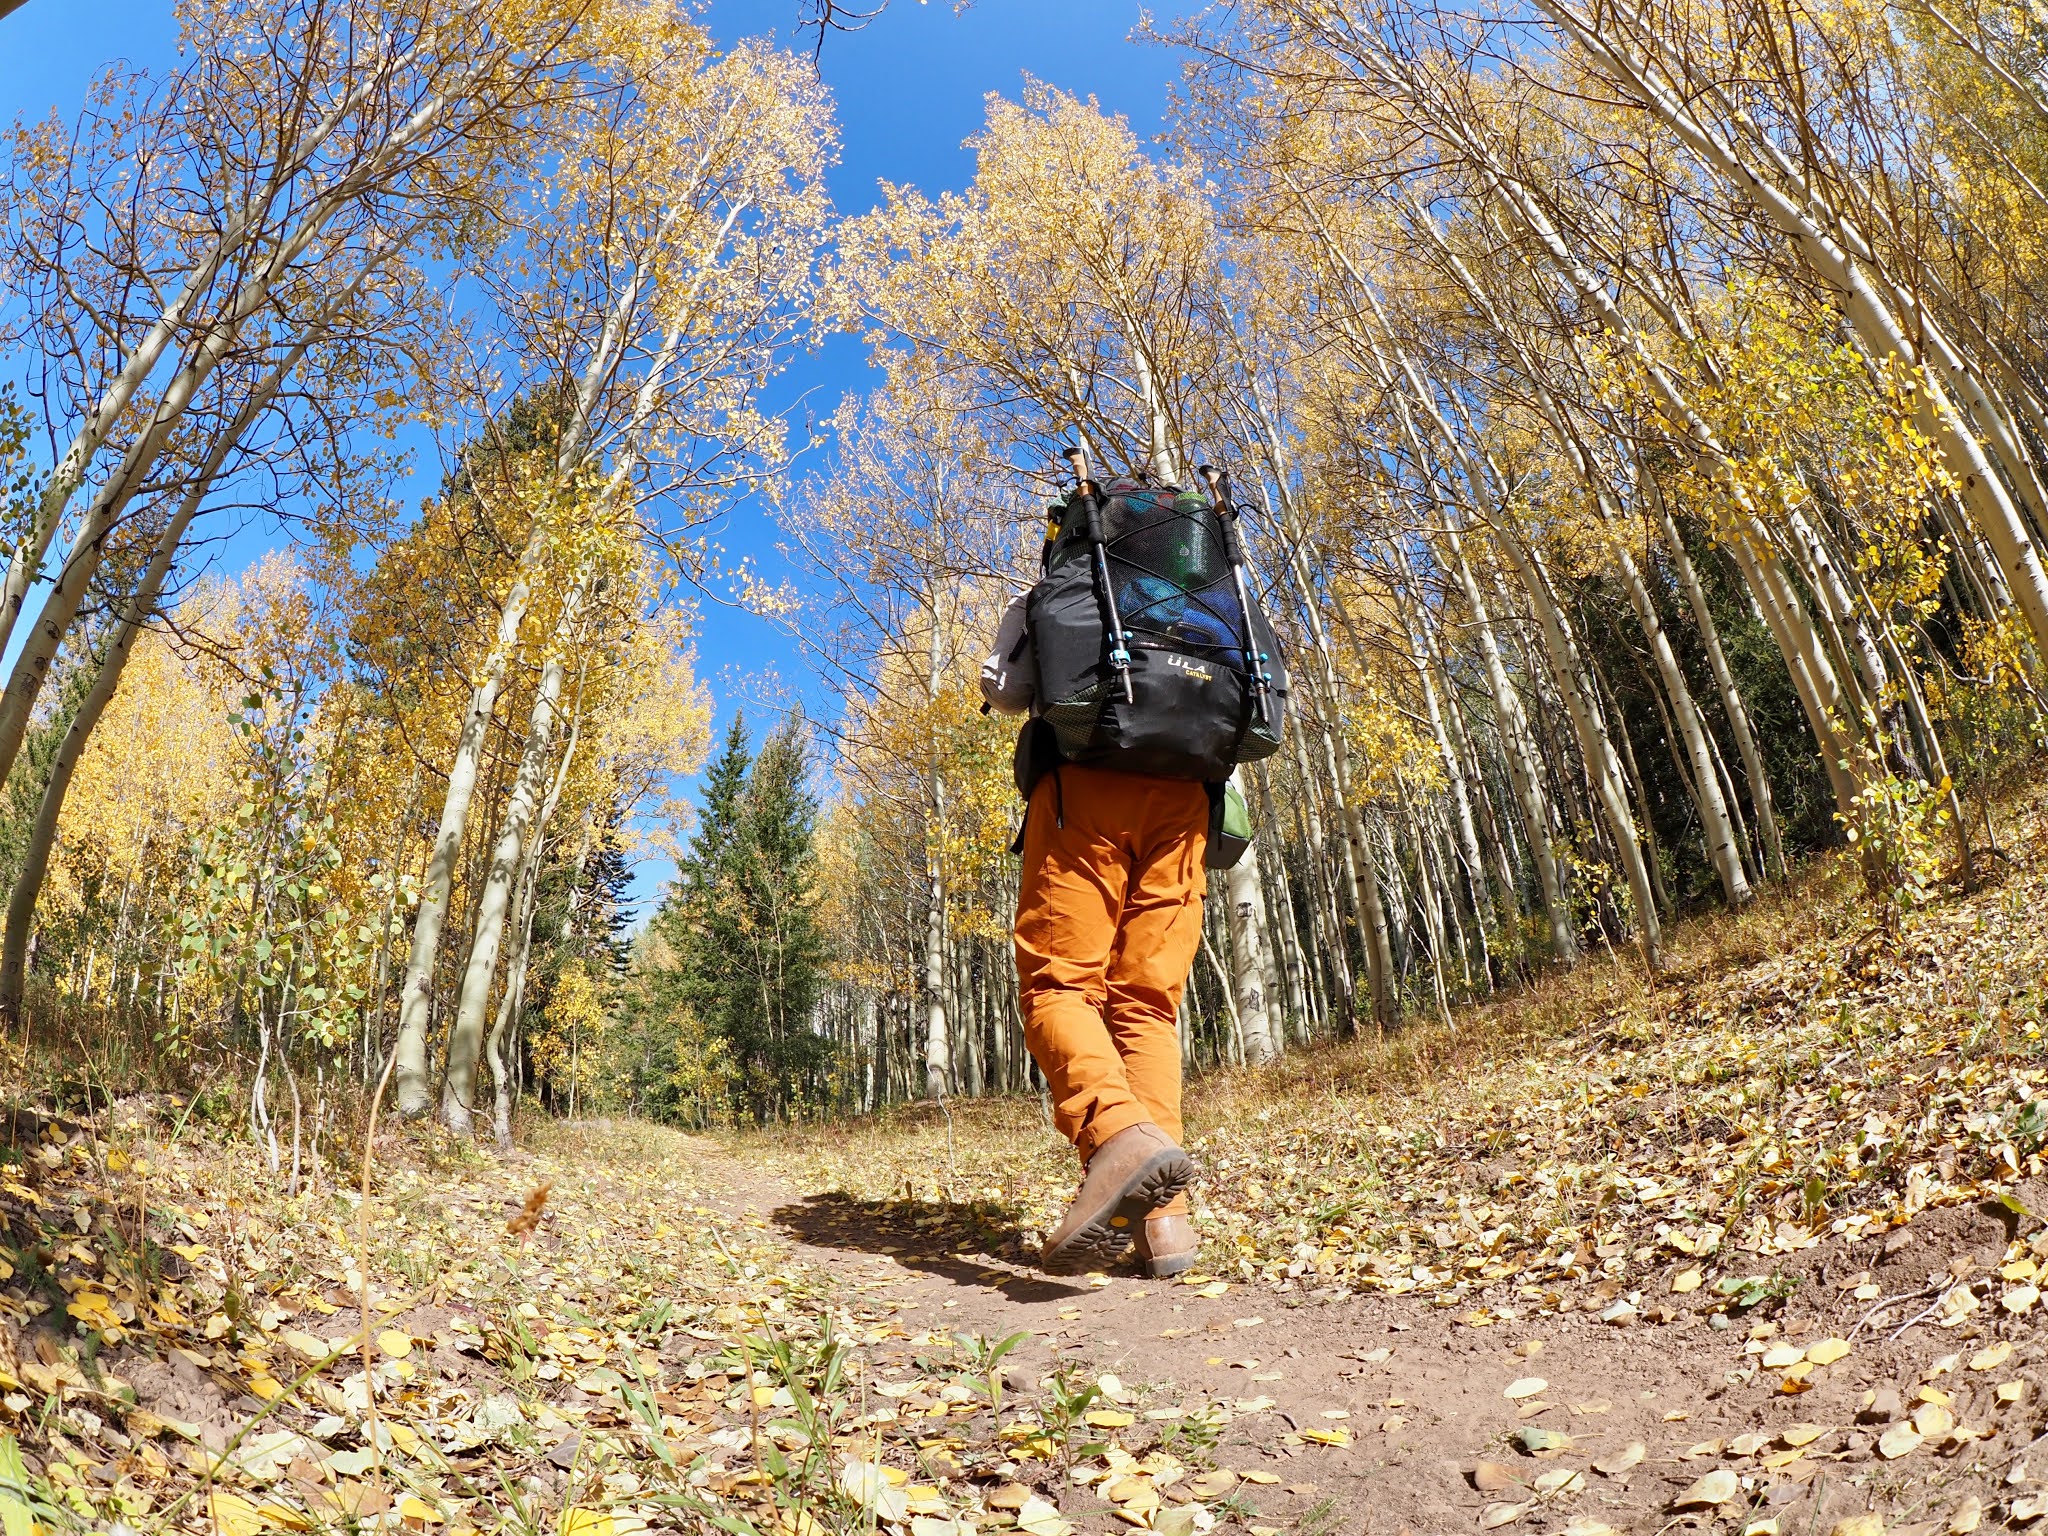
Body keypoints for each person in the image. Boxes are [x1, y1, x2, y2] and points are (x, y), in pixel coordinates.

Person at [981, 586, 1205, 1279]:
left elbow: (1005, 688)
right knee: (1147, 1003)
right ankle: (1165, 1224)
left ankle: (1117, 1136)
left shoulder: (1060, 589)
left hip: (1085, 786)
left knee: (1059, 987)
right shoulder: (1203, 591)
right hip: (1189, 797)